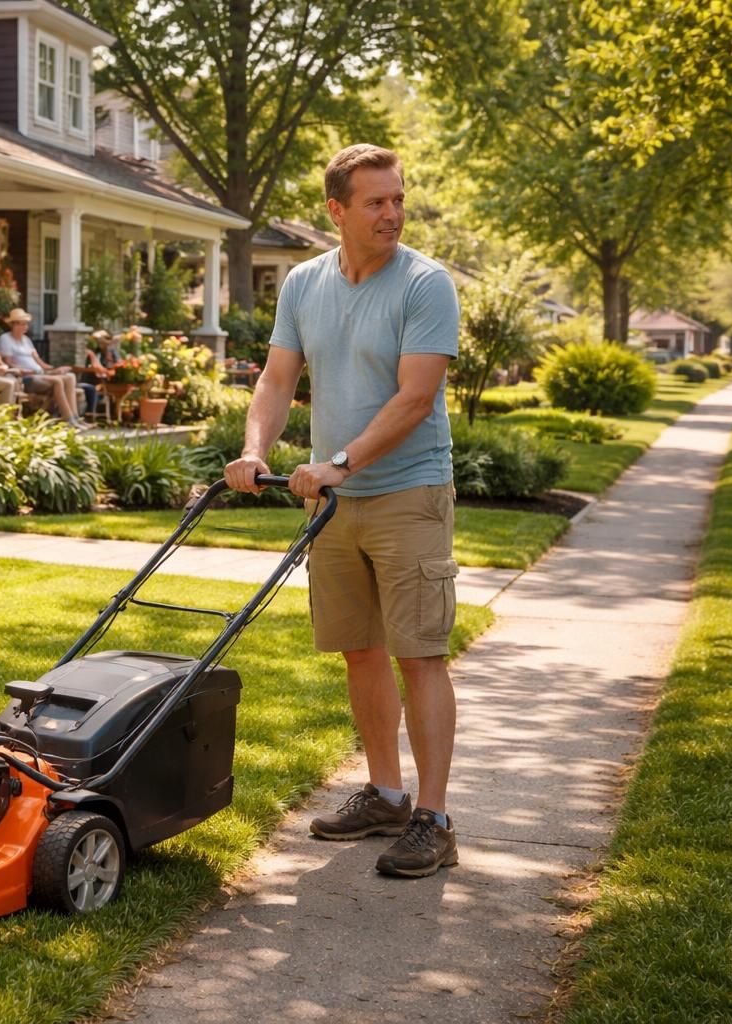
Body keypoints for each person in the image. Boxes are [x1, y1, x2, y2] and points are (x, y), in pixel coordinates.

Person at [223, 143, 461, 878]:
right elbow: (276, 377)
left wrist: (341, 463)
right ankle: (386, 794)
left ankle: (434, 817)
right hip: (333, 503)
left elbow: (415, 398)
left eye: (398, 199)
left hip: (407, 493)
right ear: (338, 211)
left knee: (418, 654)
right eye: (375, 202)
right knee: (360, 650)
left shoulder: (426, 285)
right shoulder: (304, 282)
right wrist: (254, 449)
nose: (393, 213)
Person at [0, 307, 94, 425]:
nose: (25, 326)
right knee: (57, 381)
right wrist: (23, 370)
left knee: (70, 376)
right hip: (24, 378)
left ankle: (75, 417)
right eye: (22, 324)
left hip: (40, 374)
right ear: (13, 324)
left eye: (26, 324)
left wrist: (54, 369)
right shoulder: (5, 339)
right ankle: (69, 420)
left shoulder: (26, 340)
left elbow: (39, 362)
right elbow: (8, 363)